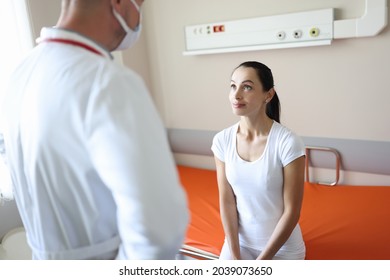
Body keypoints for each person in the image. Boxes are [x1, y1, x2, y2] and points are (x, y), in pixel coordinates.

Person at [0, 0, 188, 260]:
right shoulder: (109, 82)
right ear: (120, 3)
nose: (139, 16)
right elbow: (160, 226)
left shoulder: (20, 73)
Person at [211, 61, 306, 260]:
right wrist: (235, 256)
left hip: (282, 248)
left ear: (268, 95)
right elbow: (227, 201)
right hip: (240, 243)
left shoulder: (287, 142)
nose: (236, 95)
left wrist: (260, 263)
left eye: (247, 87)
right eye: (233, 86)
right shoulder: (222, 140)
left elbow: (292, 212)